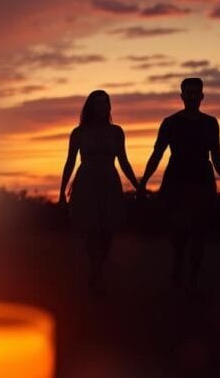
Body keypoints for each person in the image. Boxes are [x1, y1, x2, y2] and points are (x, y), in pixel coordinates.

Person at [139, 78, 220, 291]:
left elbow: (216, 154)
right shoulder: (170, 122)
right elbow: (157, 153)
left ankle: (193, 277)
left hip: (202, 179)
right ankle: (179, 266)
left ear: (202, 96)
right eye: (187, 93)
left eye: (195, 93)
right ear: (181, 96)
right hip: (176, 179)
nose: (191, 96)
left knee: (199, 231)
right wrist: (143, 181)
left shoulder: (210, 123)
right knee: (178, 231)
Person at [59, 90, 141, 291]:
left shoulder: (117, 132)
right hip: (86, 182)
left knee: (107, 231)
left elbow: (124, 161)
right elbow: (70, 162)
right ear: (90, 107)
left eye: (105, 103)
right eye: (98, 103)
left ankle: (98, 267)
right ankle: (96, 271)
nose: (102, 107)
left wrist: (138, 185)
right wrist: (61, 191)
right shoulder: (79, 133)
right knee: (91, 229)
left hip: (109, 182)